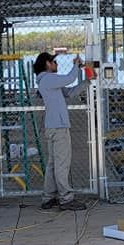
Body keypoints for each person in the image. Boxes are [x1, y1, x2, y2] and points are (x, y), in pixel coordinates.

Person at [33, 51, 91, 211]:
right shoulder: (48, 79)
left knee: (53, 164)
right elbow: (69, 78)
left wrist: (87, 82)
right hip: (58, 127)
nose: (57, 65)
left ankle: (48, 197)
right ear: (47, 64)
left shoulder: (47, 81)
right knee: (62, 164)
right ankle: (66, 199)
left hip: (53, 126)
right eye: (54, 62)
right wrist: (76, 65)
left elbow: (70, 92)